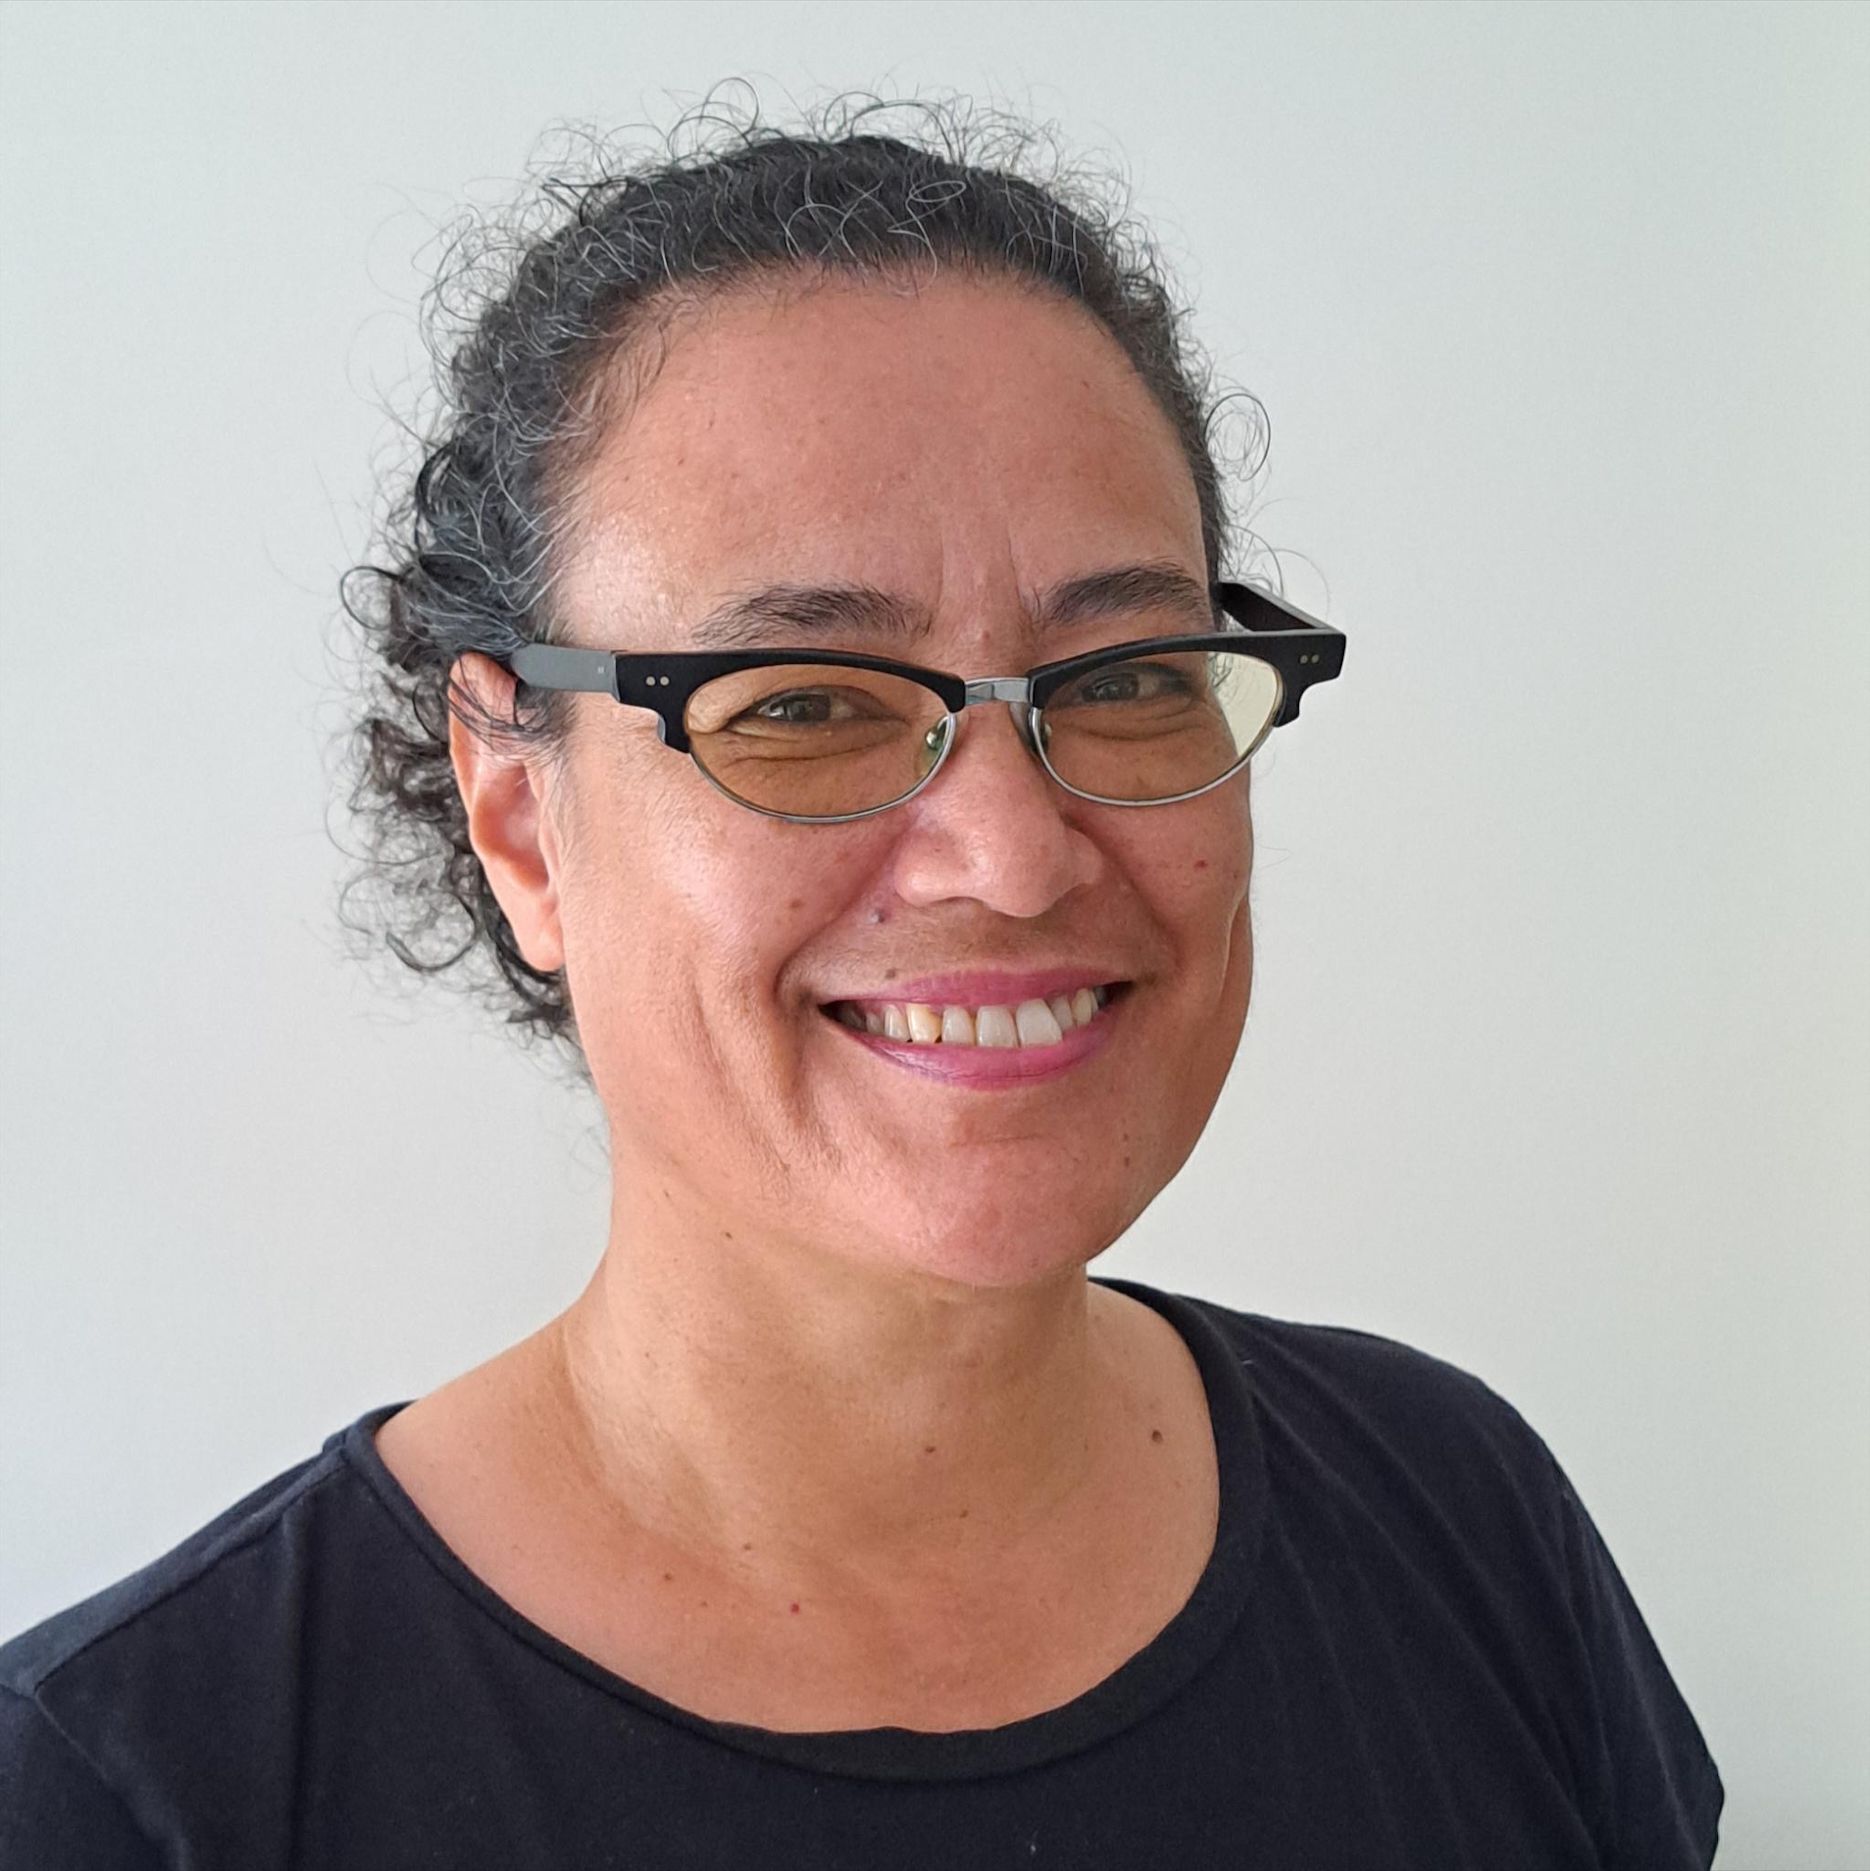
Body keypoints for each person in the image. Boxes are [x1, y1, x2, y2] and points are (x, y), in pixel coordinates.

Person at [0, 97, 1722, 1868]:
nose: (1015, 857)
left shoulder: (1460, 1519)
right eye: (805, 704)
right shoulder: (139, 1791)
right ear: (520, 821)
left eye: (1128, 677)